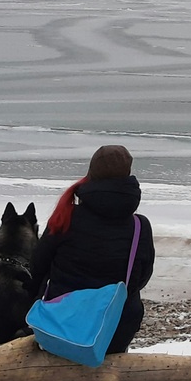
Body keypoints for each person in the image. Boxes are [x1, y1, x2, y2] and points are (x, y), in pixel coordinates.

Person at [29, 144, 156, 354]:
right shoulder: (139, 226)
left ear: (91, 172)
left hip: (59, 328)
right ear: (128, 174)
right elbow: (140, 279)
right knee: (130, 300)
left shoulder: (65, 217)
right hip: (110, 335)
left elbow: (37, 267)